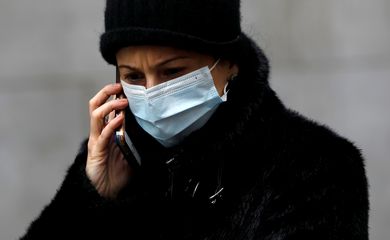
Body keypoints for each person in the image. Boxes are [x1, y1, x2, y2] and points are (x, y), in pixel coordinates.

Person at [20, 0, 369, 239]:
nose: (153, 93)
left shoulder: (315, 166)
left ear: (229, 64)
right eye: (134, 76)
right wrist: (90, 198)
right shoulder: (115, 157)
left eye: (173, 72)